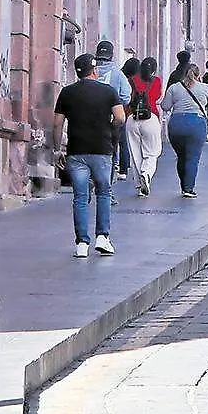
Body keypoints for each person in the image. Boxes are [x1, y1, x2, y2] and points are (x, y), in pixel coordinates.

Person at [52, 54, 125, 258]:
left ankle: (82, 243)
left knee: (80, 197)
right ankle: (102, 237)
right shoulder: (108, 91)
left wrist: (57, 149)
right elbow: (120, 117)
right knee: (104, 192)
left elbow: (57, 124)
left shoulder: (67, 92)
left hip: (76, 151)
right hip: (102, 149)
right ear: (94, 71)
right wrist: (111, 130)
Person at [160, 64, 208, 198]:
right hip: (196, 124)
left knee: (181, 157)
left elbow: (165, 106)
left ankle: (183, 185)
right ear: (198, 75)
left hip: (176, 124)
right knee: (192, 158)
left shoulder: (174, 88)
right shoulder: (204, 87)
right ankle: (188, 188)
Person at [94, 41, 131, 188]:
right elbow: (126, 97)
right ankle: (106, 186)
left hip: (89, 117)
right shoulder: (118, 74)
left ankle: (92, 180)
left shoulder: (90, 70)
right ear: (111, 55)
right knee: (110, 152)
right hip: (111, 118)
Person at [127, 57, 164, 197]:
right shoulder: (157, 81)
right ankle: (146, 174)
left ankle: (139, 186)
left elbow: (128, 98)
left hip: (133, 118)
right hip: (151, 117)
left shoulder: (132, 80)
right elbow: (157, 97)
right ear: (154, 69)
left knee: (135, 153)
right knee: (152, 152)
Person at [117, 57, 139, 179]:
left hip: (114, 111)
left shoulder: (118, 75)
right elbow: (130, 98)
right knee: (124, 142)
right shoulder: (129, 80)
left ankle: (118, 166)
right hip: (124, 112)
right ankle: (123, 168)